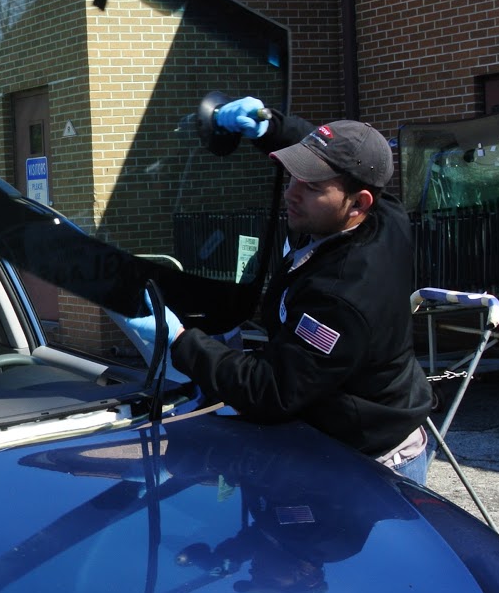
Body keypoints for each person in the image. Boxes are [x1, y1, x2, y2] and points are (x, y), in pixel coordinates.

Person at [128, 98, 435, 483]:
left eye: (312, 187)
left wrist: (180, 341)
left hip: (363, 462)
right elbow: (332, 155)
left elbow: (269, 389)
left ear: (358, 203)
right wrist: (271, 126)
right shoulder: (384, 214)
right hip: (348, 424)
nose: (292, 192)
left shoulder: (341, 296)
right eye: (293, 176)